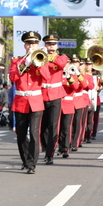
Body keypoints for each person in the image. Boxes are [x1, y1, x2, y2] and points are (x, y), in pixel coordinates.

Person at [9, 31, 51, 174]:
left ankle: (32, 163)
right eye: (28, 43)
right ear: (25, 46)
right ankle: (25, 160)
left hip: (36, 101)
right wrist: (26, 63)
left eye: (34, 43)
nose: (31, 46)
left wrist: (37, 63)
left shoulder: (42, 60)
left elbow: (46, 77)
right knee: (20, 135)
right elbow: (13, 77)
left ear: (38, 45)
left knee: (34, 133)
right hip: (21, 101)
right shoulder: (17, 61)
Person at [40, 34, 68, 165]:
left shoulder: (61, 57)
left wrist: (52, 58)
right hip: (41, 94)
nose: (51, 46)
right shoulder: (40, 58)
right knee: (42, 126)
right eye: (48, 44)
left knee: (53, 125)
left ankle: (50, 153)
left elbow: (62, 64)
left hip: (56, 94)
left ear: (57, 45)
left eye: (53, 44)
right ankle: (45, 148)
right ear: (45, 45)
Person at [58, 55, 80, 158]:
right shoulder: (57, 74)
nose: (66, 65)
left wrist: (68, 76)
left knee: (66, 128)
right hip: (58, 103)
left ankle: (65, 148)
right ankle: (58, 147)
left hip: (68, 104)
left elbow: (75, 86)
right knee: (56, 128)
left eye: (67, 63)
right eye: (65, 63)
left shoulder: (72, 75)